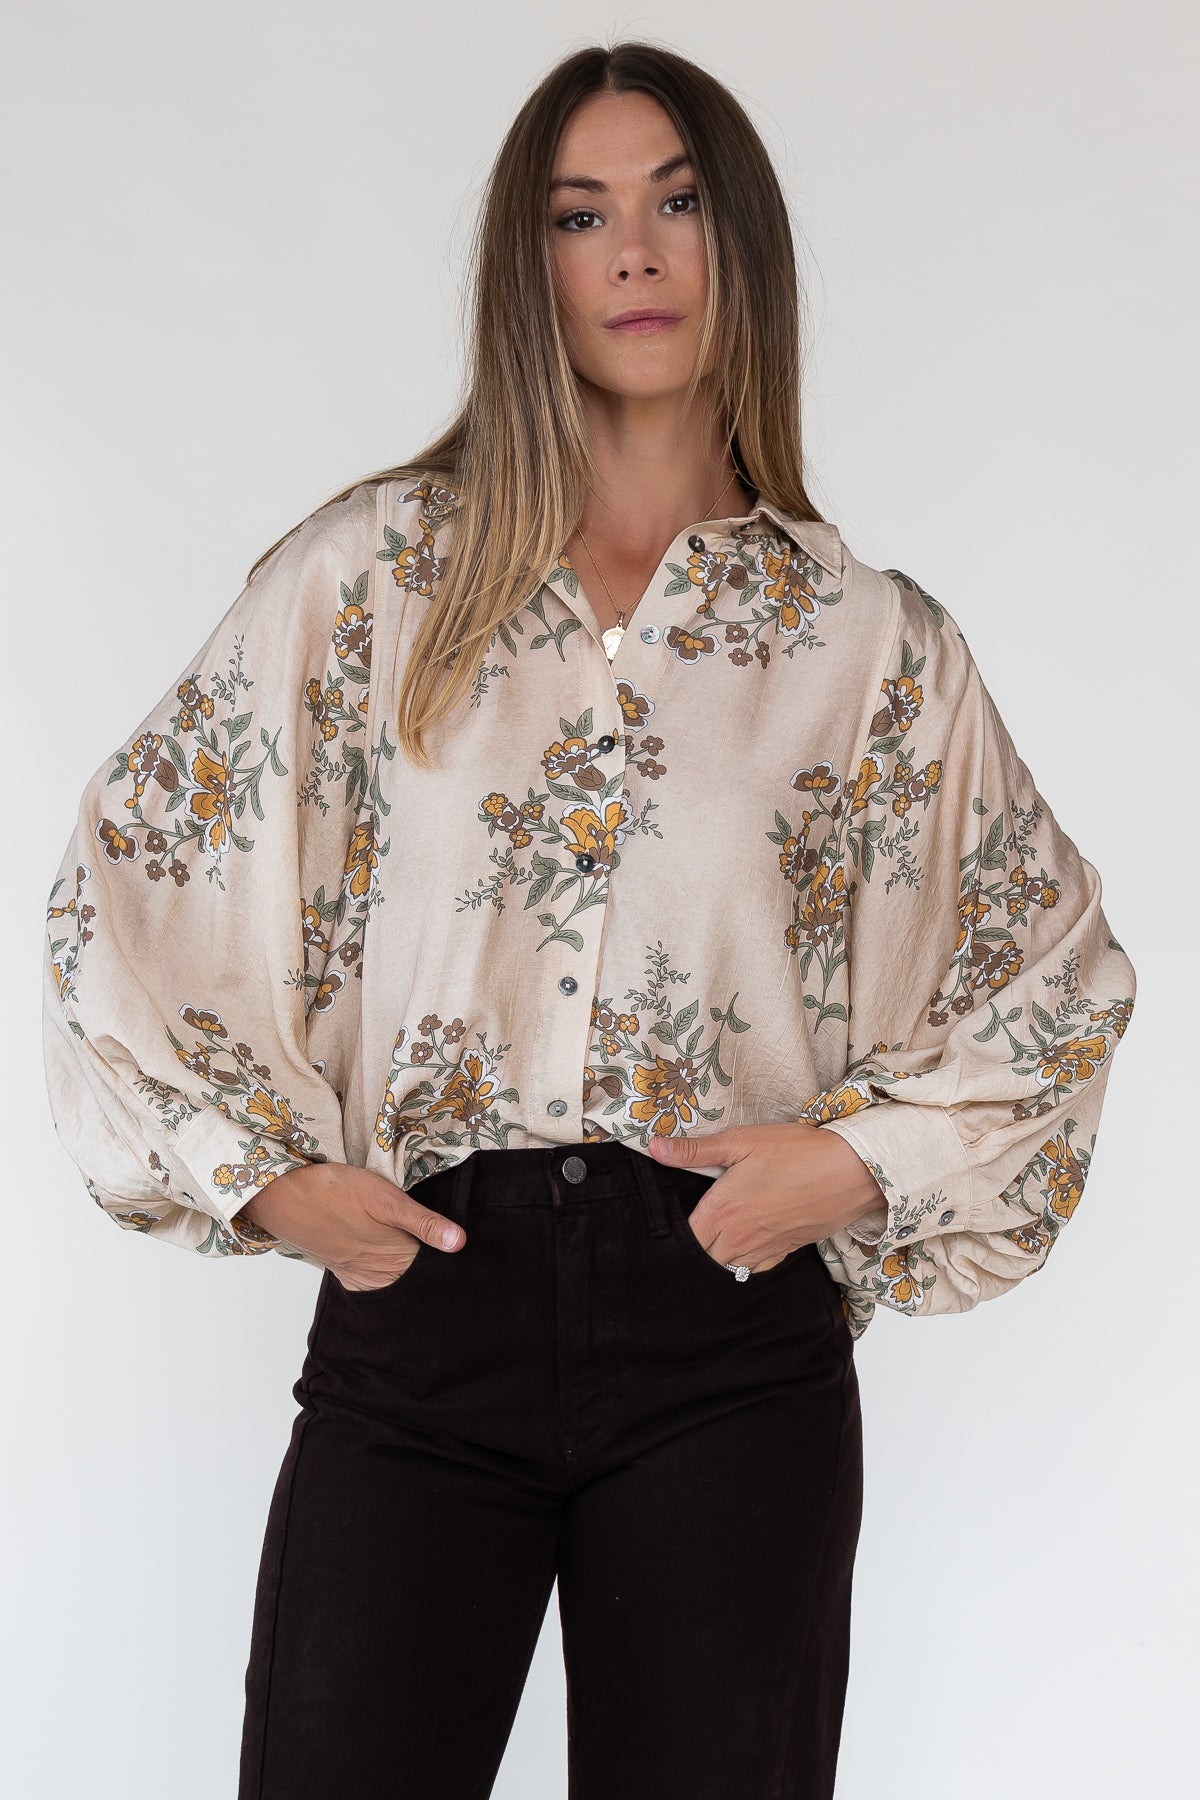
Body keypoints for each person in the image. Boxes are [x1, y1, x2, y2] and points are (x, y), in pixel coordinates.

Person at [40, 39, 1137, 1800]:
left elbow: (1055, 987)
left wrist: (852, 1168)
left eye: (677, 202)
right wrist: (264, 1178)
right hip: (428, 1307)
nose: (634, 251)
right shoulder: (379, 577)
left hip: (728, 1329)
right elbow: (129, 885)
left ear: (739, 242)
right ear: (528, 264)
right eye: (580, 214)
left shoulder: (867, 642)